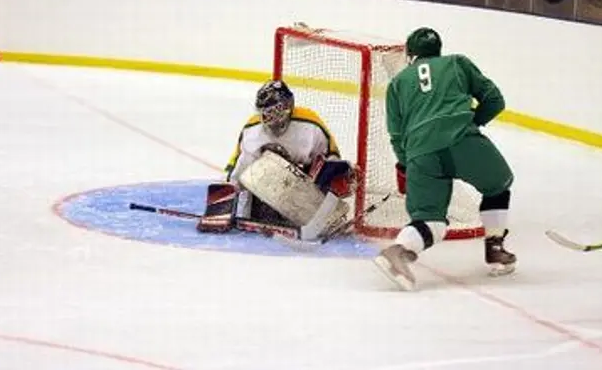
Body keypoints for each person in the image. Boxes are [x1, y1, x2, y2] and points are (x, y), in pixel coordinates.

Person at [374, 27, 516, 291]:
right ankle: (495, 248)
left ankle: (399, 249)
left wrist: (407, 164)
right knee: (499, 184)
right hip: (461, 139)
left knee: (431, 222)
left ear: (410, 54)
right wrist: (471, 121)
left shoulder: (397, 83)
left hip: (420, 153)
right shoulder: (456, 63)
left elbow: (396, 134)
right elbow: (495, 100)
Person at [215, 79, 354, 240]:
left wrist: (331, 198)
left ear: (288, 106)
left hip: (304, 186)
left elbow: (332, 159)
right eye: (266, 113)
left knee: (332, 171)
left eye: (276, 110)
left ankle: (322, 219)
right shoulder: (253, 130)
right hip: (264, 192)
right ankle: (264, 215)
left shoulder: (311, 124)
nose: (271, 118)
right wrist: (226, 208)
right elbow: (238, 170)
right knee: (258, 169)